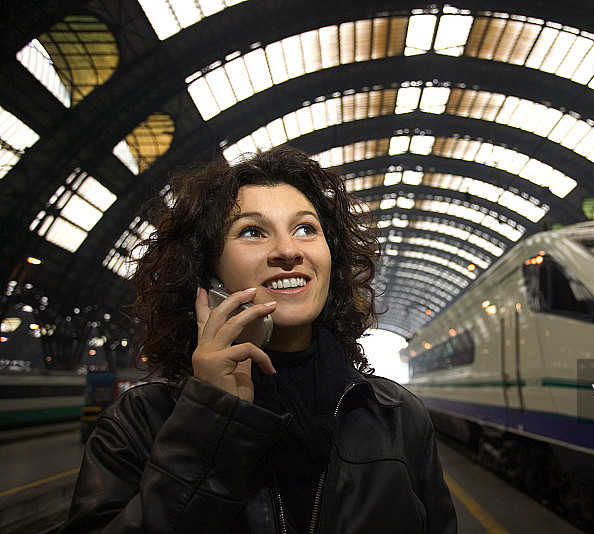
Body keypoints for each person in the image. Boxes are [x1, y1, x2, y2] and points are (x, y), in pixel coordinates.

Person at [60, 146, 457, 533]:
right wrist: (210, 422)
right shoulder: (139, 422)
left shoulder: (399, 416)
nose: (288, 250)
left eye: (306, 229)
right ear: (205, 273)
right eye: (252, 232)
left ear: (330, 259)